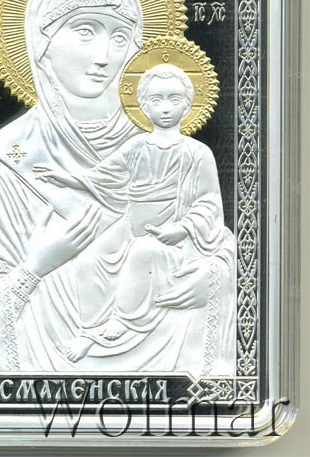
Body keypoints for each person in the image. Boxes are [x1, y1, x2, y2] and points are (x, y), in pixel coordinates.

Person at [0, 0, 235, 377]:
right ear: (41, 43)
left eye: (120, 38)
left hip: (171, 378)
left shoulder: (177, 150)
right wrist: (36, 266)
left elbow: (216, 237)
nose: (104, 57)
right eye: (84, 31)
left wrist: (215, 280)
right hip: (32, 390)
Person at [34, 63, 236, 375]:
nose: (165, 108)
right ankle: (90, 330)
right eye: (156, 100)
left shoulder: (197, 153)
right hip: (131, 225)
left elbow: (208, 201)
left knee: (142, 252)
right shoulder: (136, 146)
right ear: (143, 105)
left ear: (187, 104)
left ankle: (123, 320)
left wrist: (182, 228)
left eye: (174, 99)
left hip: (173, 236)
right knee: (90, 257)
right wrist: (65, 177)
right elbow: (102, 176)